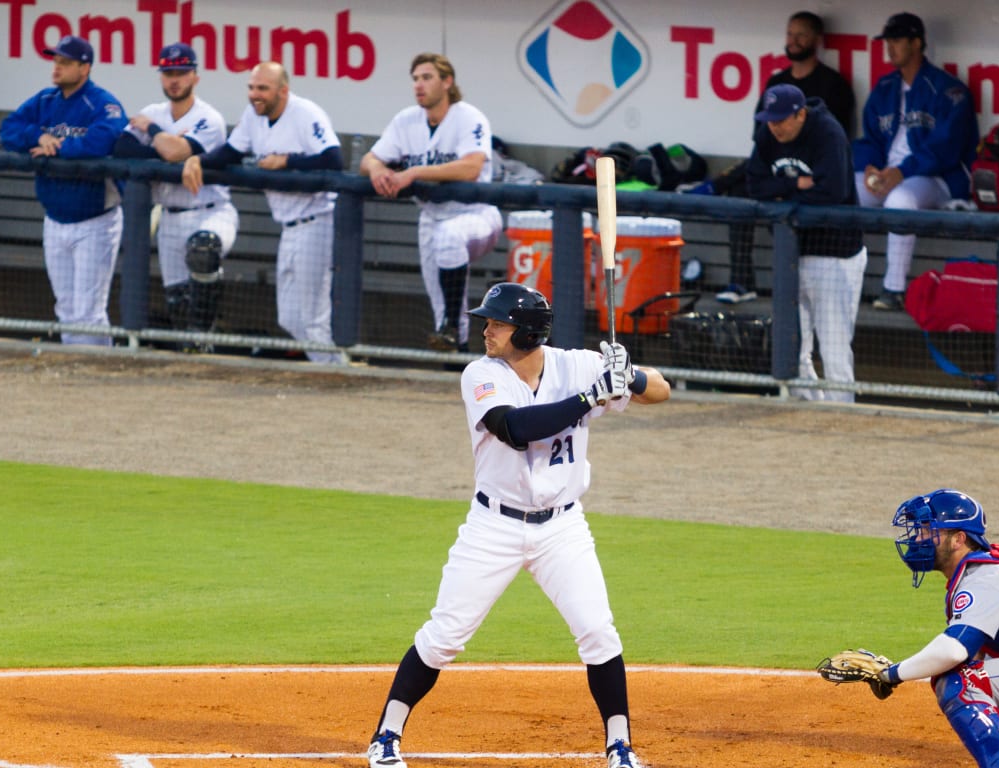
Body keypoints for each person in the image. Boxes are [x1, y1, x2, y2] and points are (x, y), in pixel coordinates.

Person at [364, 282, 670, 768]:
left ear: (527, 334)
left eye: (498, 323)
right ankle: (385, 736)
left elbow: (663, 390)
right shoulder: (480, 375)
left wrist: (627, 376)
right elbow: (517, 428)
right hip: (494, 527)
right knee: (445, 635)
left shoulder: (578, 365)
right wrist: (591, 396)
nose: (486, 330)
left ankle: (620, 745)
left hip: (563, 530)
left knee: (598, 633)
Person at [828, 489, 999, 767]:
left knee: (963, 682)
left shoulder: (986, 579)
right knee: (973, 673)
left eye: (928, 530)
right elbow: (968, 655)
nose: (917, 538)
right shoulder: (976, 574)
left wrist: (891, 673)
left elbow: (953, 650)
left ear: (958, 539)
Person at [182, 61, 342, 363]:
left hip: (317, 219)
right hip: (289, 226)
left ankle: (333, 374)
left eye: (263, 88)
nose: (255, 94)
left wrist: (287, 161)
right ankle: (334, 368)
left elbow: (334, 159)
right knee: (289, 316)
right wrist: (197, 160)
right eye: (252, 87)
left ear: (283, 90)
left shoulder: (305, 113)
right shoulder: (254, 117)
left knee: (312, 314)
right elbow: (230, 152)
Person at [361, 52, 503, 351]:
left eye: (427, 77)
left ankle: (451, 326)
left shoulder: (468, 116)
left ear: (447, 82)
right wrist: (378, 169)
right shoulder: (406, 120)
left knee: (449, 238)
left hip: (475, 215)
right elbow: (370, 158)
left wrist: (413, 172)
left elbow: (471, 167)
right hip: (431, 215)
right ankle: (455, 356)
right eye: (415, 79)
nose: (419, 85)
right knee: (441, 307)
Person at [721, 10, 857, 306]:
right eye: (789, 34)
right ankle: (742, 280)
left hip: (825, 198)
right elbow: (760, 167)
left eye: (801, 34)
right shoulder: (776, 83)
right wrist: (794, 185)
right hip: (786, 175)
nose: (793, 41)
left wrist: (787, 187)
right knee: (737, 189)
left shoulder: (832, 86)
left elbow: (832, 177)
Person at [0, 35, 128, 346]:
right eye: (56, 61)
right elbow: (8, 128)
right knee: (66, 306)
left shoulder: (102, 102)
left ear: (85, 68)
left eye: (65, 62)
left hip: (95, 220)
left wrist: (59, 147)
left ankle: (93, 373)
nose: (57, 68)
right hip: (54, 218)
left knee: (89, 310)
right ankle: (73, 374)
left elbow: (104, 140)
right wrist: (36, 136)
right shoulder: (44, 100)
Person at [113, 42, 240, 352]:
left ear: (195, 76)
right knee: (179, 306)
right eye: (168, 72)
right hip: (170, 214)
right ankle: (196, 355)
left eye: (181, 72)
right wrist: (165, 150)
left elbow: (173, 151)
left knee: (204, 250)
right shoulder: (152, 111)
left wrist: (156, 134)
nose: (174, 79)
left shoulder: (208, 117)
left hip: (210, 210)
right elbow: (121, 149)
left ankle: (206, 338)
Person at [744, 84, 866, 402]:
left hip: (835, 255)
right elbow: (754, 183)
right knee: (793, 342)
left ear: (801, 114)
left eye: (782, 119)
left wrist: (782, 192)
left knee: (834, 346)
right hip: (792, 254)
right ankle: (806, 408)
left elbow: (833, 191)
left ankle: (843, 414)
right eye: (771, 120)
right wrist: (796, 183)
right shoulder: (768, 132)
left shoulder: (828, 132)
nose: (775, 126)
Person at [852, 12, 978, 311]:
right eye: (888, 41)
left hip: (937, 179)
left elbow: (944, 150)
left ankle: (893, 289)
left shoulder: (949, 90)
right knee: (844, 189)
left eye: (896, 40)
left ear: (917, 43)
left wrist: (901, 172)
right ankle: (840, 280)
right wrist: (870, 167)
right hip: (890, 175)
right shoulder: (884, 88)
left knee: (900, 200)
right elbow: (869, 138)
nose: (889, 47)